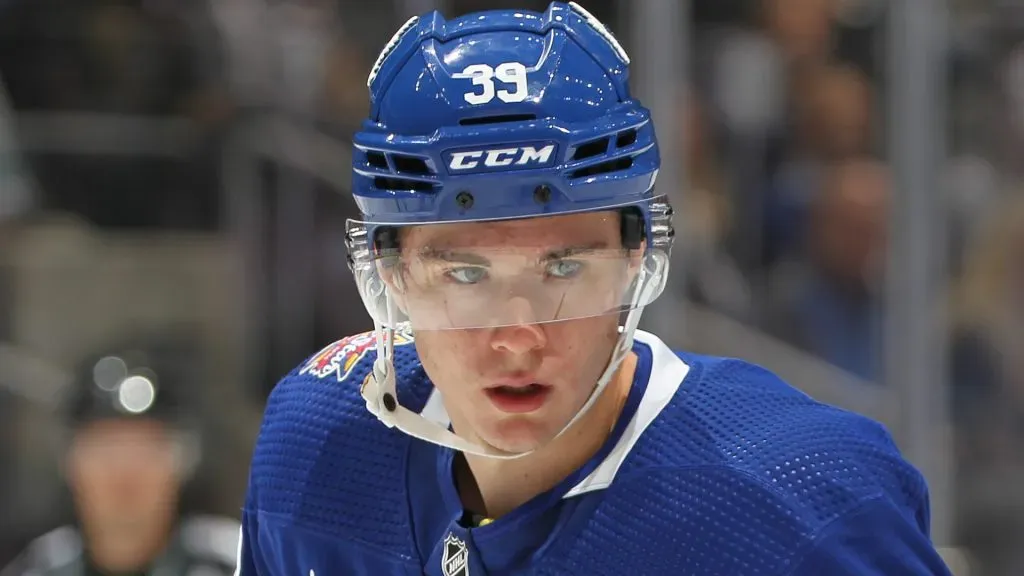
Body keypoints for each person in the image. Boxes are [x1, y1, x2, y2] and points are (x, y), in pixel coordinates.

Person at [236, 3, 952, 574]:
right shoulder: (318, 446)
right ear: (391, 276)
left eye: (564, 269)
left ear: (636, 261)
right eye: (464, 274)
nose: (517, 334)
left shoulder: (795, 506)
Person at [1, 343, 240, 576]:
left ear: (183, 463)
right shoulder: (37, 567)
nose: (124, 474)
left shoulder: (242, 564)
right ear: (70, 463)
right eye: (106, 451)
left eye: (145, 452)